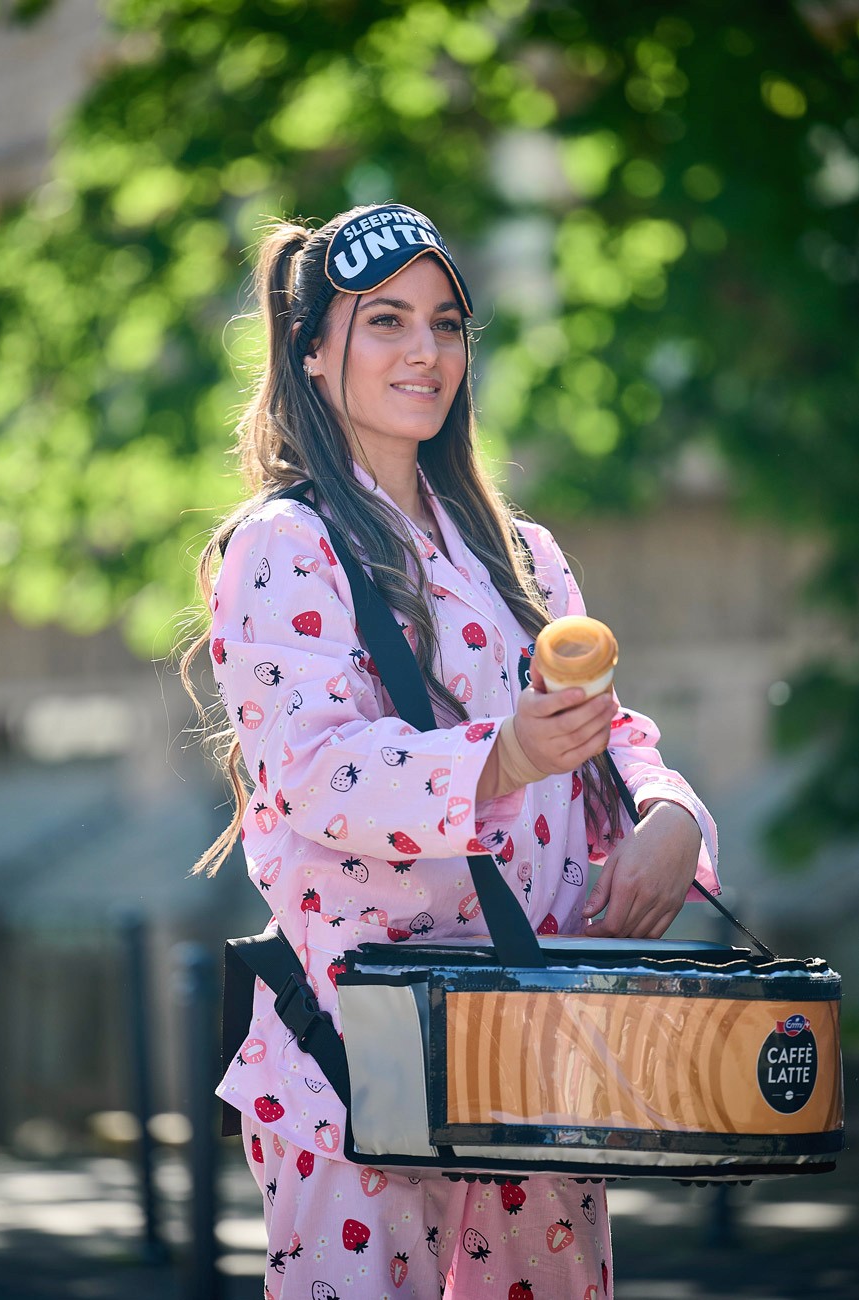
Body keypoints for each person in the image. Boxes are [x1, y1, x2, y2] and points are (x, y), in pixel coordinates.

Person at [183, 203, 719, 1300]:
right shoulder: (281, 546)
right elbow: (315, 772)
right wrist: (505, 759)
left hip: (534, 1054)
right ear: (314, 350)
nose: (423, 351)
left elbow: (611, 743)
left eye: (443, 323)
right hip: (360, 1056)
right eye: (384, 321)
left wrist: (671, 819)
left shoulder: (523, 555)